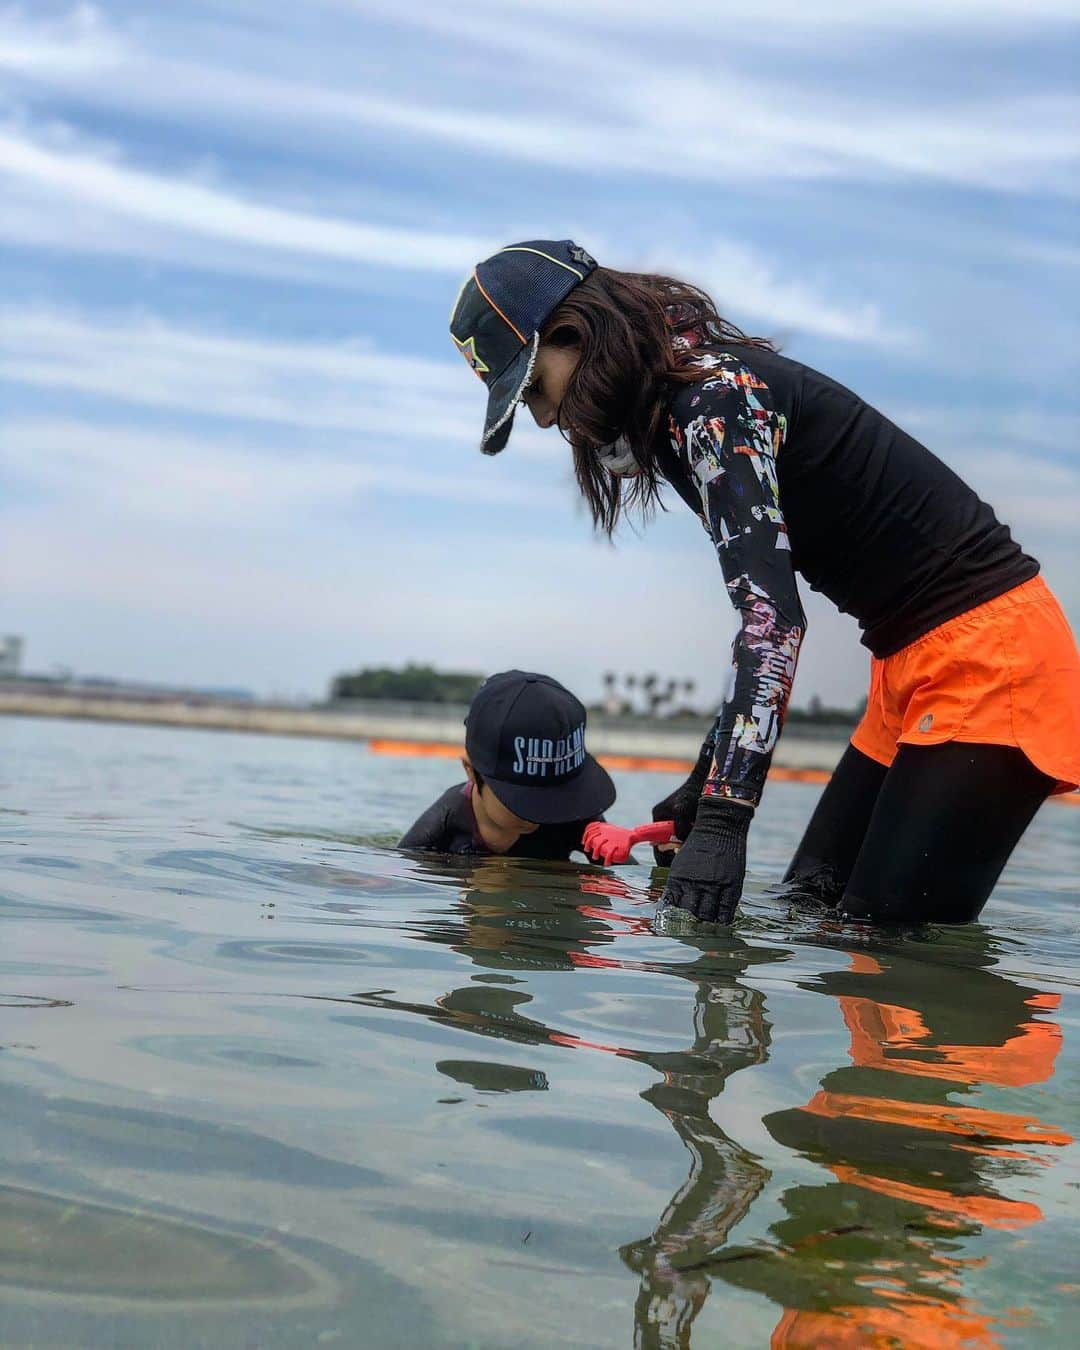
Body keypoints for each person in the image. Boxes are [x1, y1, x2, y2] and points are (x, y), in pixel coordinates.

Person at [448, 240, 1080, 925]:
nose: (544, 418)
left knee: (883, 942)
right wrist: (705, 780)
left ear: (574, 335)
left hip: (992, 659)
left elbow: (772, 621)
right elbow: (765, 619)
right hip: (909, 666)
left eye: (536, 387)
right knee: (810, 905)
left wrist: (725, 817)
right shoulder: (681, 409)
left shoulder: (714, 399)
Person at [398, 669, 615, 859]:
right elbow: (398, 872)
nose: (543, 813)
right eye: (527, 800)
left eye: (557, 797)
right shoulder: (447, 819)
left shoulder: (575, 816)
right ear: (471, 771)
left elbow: (625, 878)